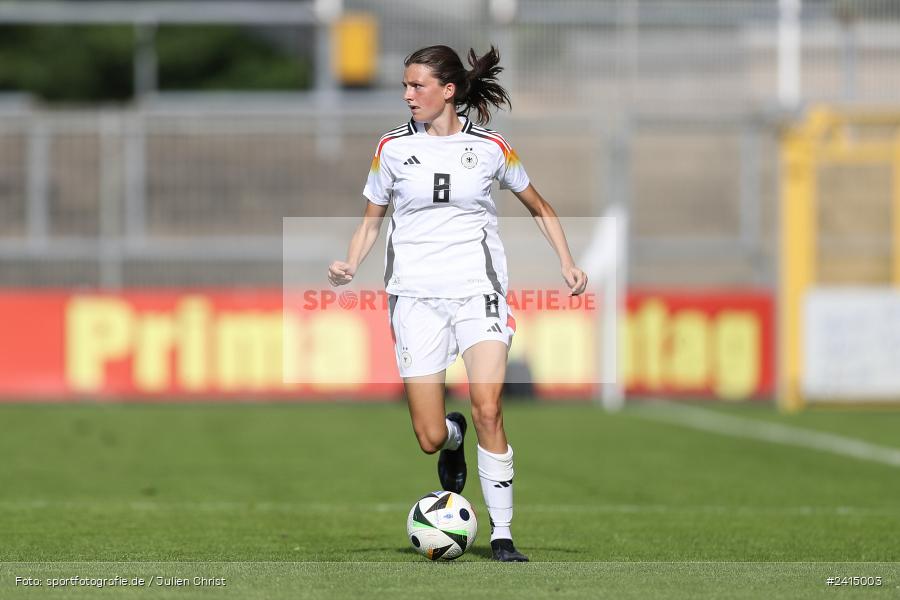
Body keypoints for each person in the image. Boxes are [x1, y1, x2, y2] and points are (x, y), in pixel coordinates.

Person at [328, 45, 587, 562]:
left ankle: (504, 535)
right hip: (416, 299)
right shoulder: (392, 149)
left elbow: (539, 205)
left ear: (448, 90)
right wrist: (351, 262)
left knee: (489, 405)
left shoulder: (491, 148)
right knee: (428, 436)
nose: (407, 95)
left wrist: (567, 260)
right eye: (404, 86)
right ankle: (453, 437)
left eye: (417, 86)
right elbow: (371, 220)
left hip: (478, 292)